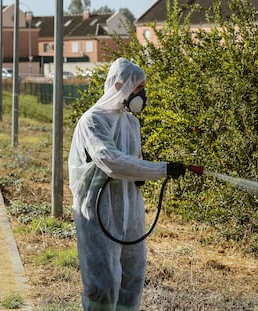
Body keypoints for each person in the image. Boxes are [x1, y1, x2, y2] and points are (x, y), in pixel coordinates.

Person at [68, 57, 186, 310]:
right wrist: (161, 169)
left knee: (132, 279)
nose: (142, 94)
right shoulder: (93, 121)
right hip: (98, 212)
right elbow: (111, 161)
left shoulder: (131, 123)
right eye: (138, 87)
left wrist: (145, 172)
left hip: (130, 211)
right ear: (119, 85)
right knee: (104, 284)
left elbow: (132, 162)